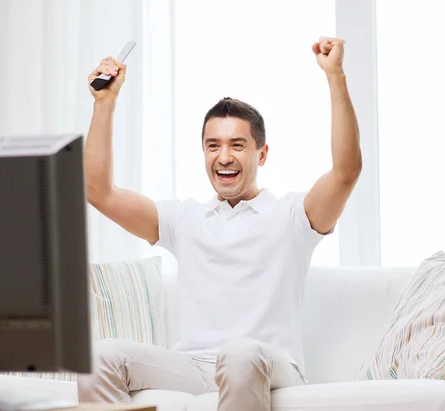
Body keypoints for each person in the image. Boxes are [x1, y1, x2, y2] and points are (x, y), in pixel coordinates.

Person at [78, 36, 361, 411]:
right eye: (213, 145)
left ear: (262, 153)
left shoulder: (293, 216)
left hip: (269, 365)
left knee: (240, 353)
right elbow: (100, 192)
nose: (223, 156)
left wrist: (335, 76)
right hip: (196, 367)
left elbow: (346, 172)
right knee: (102, 357)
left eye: (237, 145)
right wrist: (104, 103)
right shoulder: (184, 220)